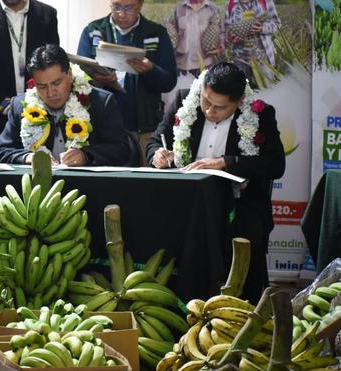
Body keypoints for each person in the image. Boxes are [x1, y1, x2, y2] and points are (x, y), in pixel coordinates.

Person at [147, 62, 285, 303]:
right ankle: (171, 302)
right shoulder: (183, 100)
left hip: (238, 205)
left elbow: (275, 164)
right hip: (186, 202)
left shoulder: (260, 113)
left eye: (220, 107)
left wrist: (226, 162)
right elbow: (154, 142)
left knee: (247, 229)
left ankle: (240, 306)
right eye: (206, 101)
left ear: (239, 101)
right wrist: (157, 154)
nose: (209, 111)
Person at [0, 44, 130, 166]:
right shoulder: (20, 106)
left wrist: (86, 155)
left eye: (56, 83)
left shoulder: (100, 102)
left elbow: (122, 150)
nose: (51, 93)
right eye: (42, 86)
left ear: (70, 74)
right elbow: (0, 152)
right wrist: (28, 157)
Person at [77, 0, 176, 166]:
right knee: (109, 184)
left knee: (146, 184)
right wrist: (97, 79)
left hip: (145, 128)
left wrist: (151, 70)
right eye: (116, 6)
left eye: (129, 8)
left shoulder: (156, 33)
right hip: (103, 129)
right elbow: (78, 78)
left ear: (140, 5)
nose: (122, 14)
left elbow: (169, 81)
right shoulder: (93, 31)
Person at [0, 0, 59, 150]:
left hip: (40, 113)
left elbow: (52, 62)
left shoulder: (47, 14)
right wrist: (5, 105)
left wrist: (35, 102)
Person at [225, 0, 280, 84]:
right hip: (240, 59)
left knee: (268, 90)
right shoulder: (230, 3)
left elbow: (276, 23)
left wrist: (263, 28)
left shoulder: (265, 1)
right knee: (242, 92)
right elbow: (226, 29)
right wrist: (230, 37)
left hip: (262, 58)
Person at [166, 0, 224, 76]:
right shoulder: (179, 8)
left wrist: (220, 47)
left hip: (205, 63)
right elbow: (171, 30)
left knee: (202, 87)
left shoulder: (213, 8)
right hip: (182, 64)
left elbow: (222, 31)